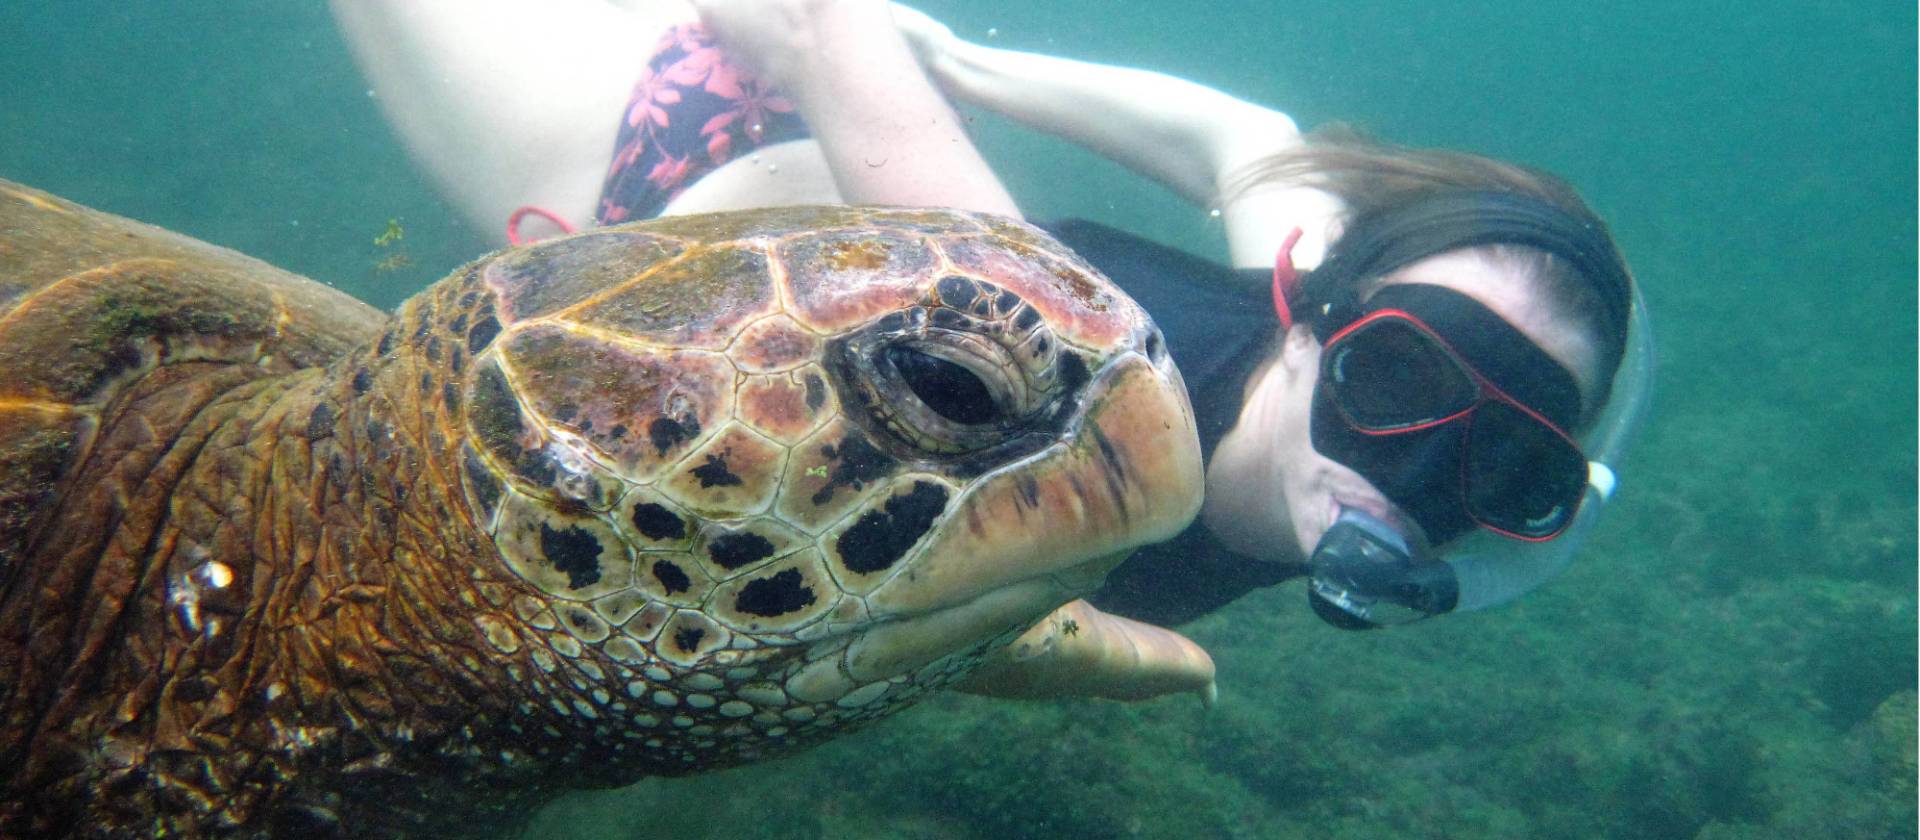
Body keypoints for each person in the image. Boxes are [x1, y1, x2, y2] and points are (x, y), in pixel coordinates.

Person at [331, 0, 1651, 632]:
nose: (1414, 475)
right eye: (1402, 380)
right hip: (649, 147)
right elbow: (834, 36)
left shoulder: (1314, 290)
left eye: (1505, 464)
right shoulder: (1028, 342)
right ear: (1314, 318)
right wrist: (915, 67)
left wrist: (968, 72)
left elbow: (1249, 138)